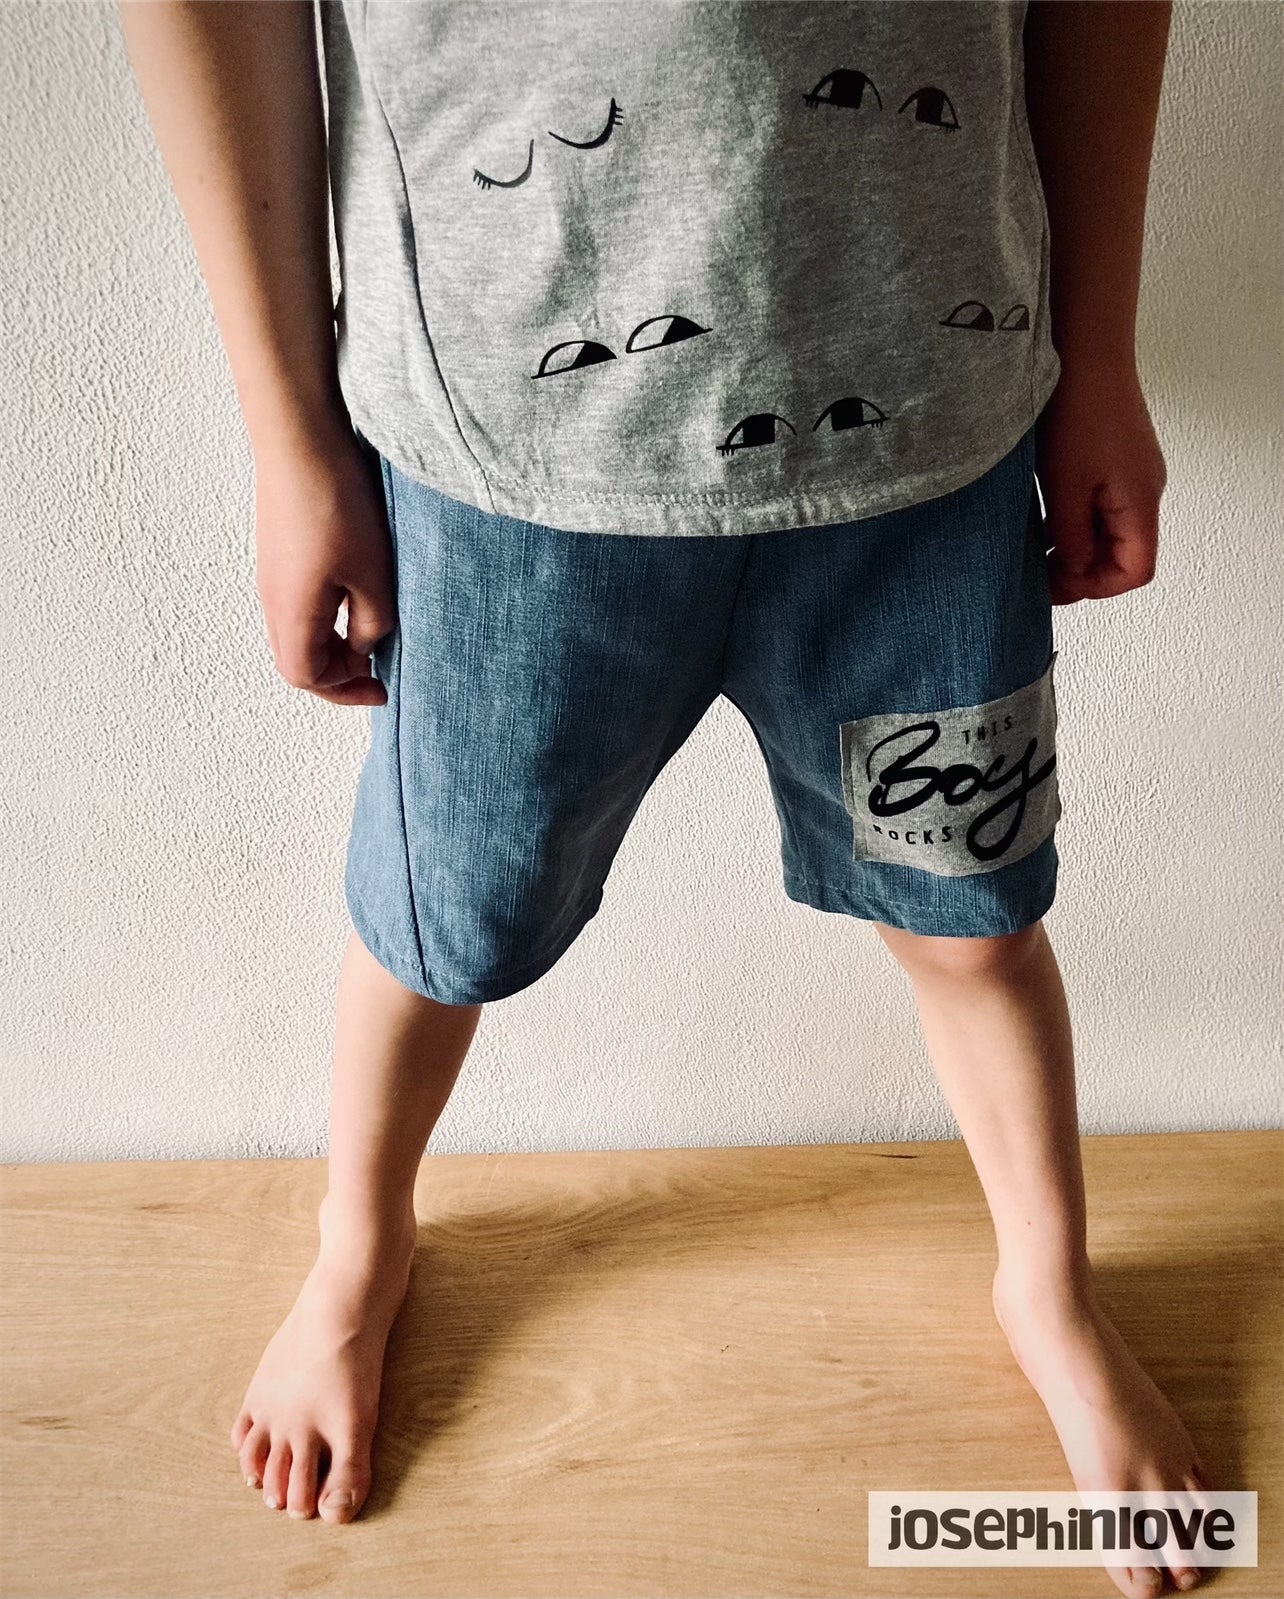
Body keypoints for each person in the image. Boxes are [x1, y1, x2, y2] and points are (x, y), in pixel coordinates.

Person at [118, 3, 1210, 1594]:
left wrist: (1099, 352)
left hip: (932, 436)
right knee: (447, 922)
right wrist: (288, 442)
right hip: (509, 470)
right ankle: (358, 1248)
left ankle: (1048, 1289)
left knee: (971, 916)